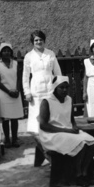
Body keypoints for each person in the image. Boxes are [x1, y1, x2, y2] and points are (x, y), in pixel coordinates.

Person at [37, 76, 94, 187]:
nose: (65, 90)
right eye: (62, 87)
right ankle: (78, 175)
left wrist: (74, 127)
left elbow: (71, 118)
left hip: (67, 131)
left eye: (66, 87)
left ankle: (84, 173)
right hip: (51, 134)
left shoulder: (69, 99)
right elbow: (43, 125)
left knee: (92, 141)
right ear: (55, 88)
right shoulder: (47, 101)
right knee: (81, 144)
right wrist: (66, 130)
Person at [22, 30, 62, 166]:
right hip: (36, 92)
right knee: (36, 123)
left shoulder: (50, 54)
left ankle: (49, 151)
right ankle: (46, 151)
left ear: (44, 40)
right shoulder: (29, 57)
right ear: (32, 42)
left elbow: (58, 72)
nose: (38, 42)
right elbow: (25, 76)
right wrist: (27, 92)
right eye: (36, 40)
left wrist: (59, 89)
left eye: (40, 40)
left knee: (50, 120)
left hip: (49, 90)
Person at [0, 42, 23, 148]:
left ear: (11, 52)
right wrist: (8, 91)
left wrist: (17, 90)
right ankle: (7, 139)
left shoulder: (16, 63)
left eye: (8, 50)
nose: (6, 52)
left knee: (14, 118)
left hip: (15, 93)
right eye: (4, 51)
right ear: (1, 53)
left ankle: (14, 139)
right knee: (5, 118)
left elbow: (19, 78)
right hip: (4, 94)